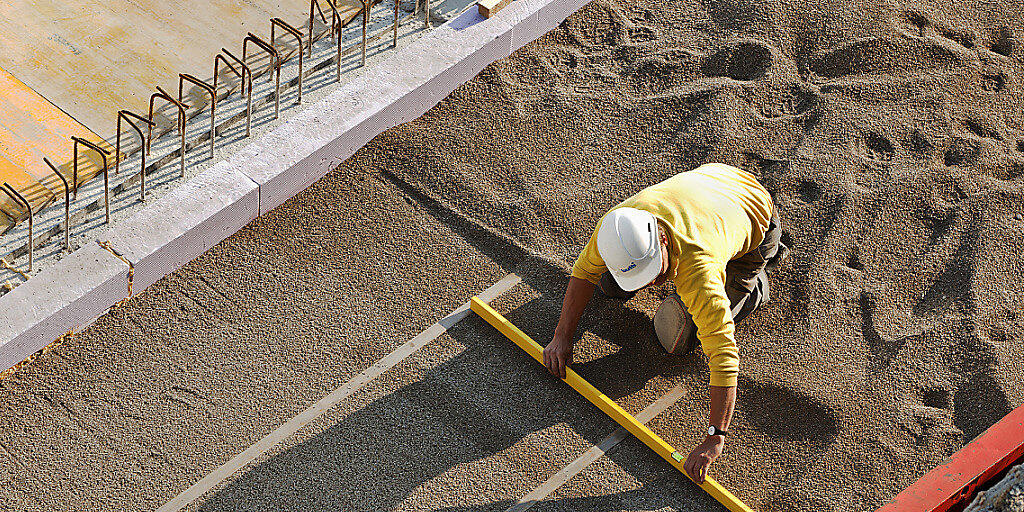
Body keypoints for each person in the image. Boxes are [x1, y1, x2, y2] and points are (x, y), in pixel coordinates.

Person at [542, 162, 788, 484]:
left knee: (678, 335)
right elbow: (584, 272)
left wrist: (715, 438)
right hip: (713, 185)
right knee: (607, 284)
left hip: (755, 213)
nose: (649, 286)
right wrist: (562, 336)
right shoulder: (617, 227)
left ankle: (758, 282)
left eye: (656, 274)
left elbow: (724, 356)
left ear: (663, 240)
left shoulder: (699, 272)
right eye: (644, 279)